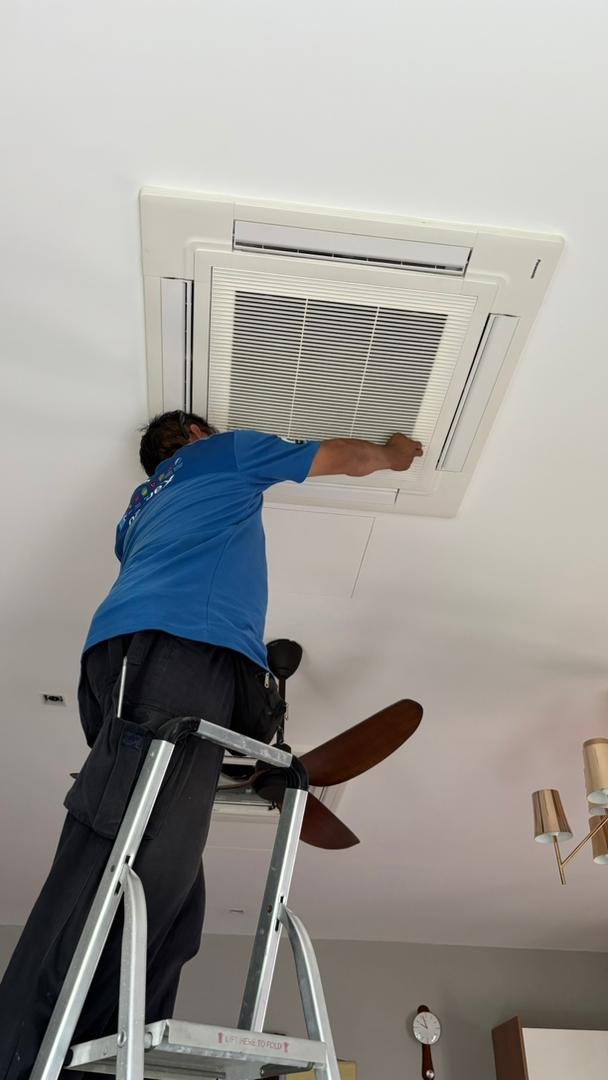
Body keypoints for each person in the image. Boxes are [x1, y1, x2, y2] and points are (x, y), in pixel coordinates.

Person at [0, 412, 422, 1078]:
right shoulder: (220, 456)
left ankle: (115, 1041)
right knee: (120, 849)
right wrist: (395, 454)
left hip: (161, 659)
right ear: (195, 435)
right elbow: (345, 457)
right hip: (175, 647)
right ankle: (28, 1051)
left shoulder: (136, 514)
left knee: (169, 874)